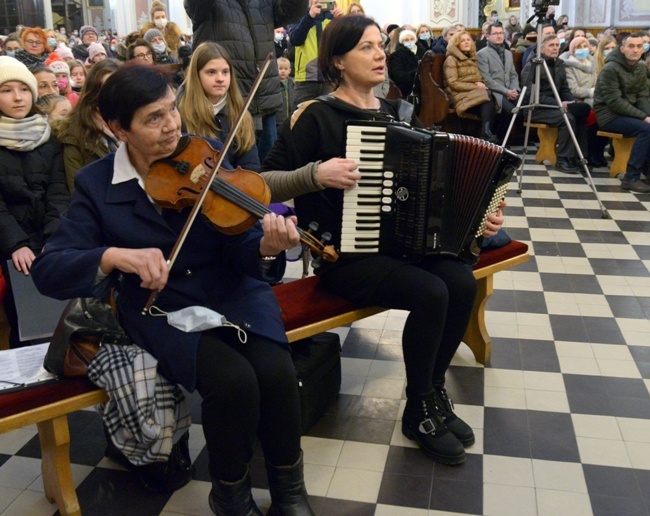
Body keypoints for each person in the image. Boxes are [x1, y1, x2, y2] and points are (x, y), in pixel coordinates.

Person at [30, 63, 313, 516]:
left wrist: (264, 245)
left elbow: (238, 245)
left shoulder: (206, 153)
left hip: (231, 289)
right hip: (162, 306)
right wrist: (112, 257)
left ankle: (289, 490)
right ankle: (230, 493)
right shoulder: (97, 184)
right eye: (152, 119)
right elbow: (50, 270)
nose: (170, 128)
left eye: (171, 111)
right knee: (233, 382)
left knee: (277, 373)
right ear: (116, 127)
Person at [262, 14, 505, 466]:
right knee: (431, 292)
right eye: (367, 48)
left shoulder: (392, 113)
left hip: (399, 246)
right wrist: (315, 174)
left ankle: (430, 397)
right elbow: (262, 183)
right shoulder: (315, 115)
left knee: (461, 281)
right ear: (337, 61)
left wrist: (477, 221)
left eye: (381, 46)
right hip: (345, 256)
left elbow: (434, 191)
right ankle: (419, 407)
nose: (380, 55)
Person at [0, 56, 69, 346]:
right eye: (6, 90)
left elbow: (58, 191)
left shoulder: (48, 135)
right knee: (25, 324)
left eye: (24, 89)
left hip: (48, 240)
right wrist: (16, 244)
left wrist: (52, 238)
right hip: (9, 245)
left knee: (58, 320)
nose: (18, 97)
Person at [185, 0, 308, 163]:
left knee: (265, 173)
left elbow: (292, 11)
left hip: (265, 99)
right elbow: (196, 8)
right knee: (228, 170)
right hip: (229, 106)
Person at [178, 42, 260, 172]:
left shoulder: (240, 114)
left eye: (225, 72)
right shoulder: (180, 113)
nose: (220, 79)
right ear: (196, 75)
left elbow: (251, 165)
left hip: (232, 188)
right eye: (211, 72)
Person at [521, 34, 591, 173]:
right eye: (551, 45)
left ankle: (578, 156)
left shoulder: (559, 64)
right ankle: (563, 158)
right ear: (542, 48)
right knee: (567, 118)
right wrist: (560, 104)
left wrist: (571, 101)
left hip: (555, 106)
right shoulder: (533, 66)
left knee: (580, 115)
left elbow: (564, 88)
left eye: (557, 45)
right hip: (535, 107)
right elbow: (532, 95)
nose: (555, 48)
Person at [595, 32, 650, 193]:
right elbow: (614, 102)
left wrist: (648, 115)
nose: (636, 50)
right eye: (631, 46)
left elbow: (642, 96)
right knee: (646, 129)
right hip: (609, 115)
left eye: (639, 46)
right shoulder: (610, 68)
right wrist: (644, 117)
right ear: (623, 48)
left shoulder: (640, 67)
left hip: (629, 113)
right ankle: (630, 178)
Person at [58, 59, 122, 190]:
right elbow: (77, 189)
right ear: (94, 92)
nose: (114, 94)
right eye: (107, 88)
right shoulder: (75, 132)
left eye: (119, 87)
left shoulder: (135, 122)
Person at [444, 31, 499, 143]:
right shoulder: (451, 59)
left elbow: (478, 77)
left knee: (489, 96)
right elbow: (453, 83)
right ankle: (486, 133)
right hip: (457, 94)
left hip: (471, 93)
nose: (466, 42)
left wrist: (480, 83)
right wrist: (475, 86)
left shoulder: (471, 57)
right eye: (462, 40)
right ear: (456, 43)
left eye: (468, 40)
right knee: (487, 97)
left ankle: (486, 133)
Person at [289, 0, 343, 112]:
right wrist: (309, 17)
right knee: (300, 120)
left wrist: (342, 21)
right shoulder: (299, 15)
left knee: (328, 120)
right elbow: (295, 40)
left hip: (329, 78)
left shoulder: (334, 17)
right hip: (305, 79)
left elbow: (345, 44)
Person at [477, 23, 520, 121]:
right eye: (495, 33)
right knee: (511, 111)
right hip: (495, 93)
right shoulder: (482, 54)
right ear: (487, 36)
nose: (499, 36)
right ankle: (500, 135)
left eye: (501, 33)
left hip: (510, 91)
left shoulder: (508, 53)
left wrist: (514, 90)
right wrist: (506, 92)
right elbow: (486, 79)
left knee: (525, 109)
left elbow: (513, 74)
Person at [388, 29, 419, 98]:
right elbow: (398, 75)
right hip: (406, 89)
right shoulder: (397, 55)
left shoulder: (420, 51)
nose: (410, 42)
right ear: (402, 42)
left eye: (412, 39)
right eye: (406, 40)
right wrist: (416, 72)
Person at [275, 57, 294, 129]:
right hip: (278, 119)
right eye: (280, 68)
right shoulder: (274, 84)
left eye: (285, 69)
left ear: (289, 70)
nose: (283, 71)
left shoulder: (293, 84)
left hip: (290, 118)